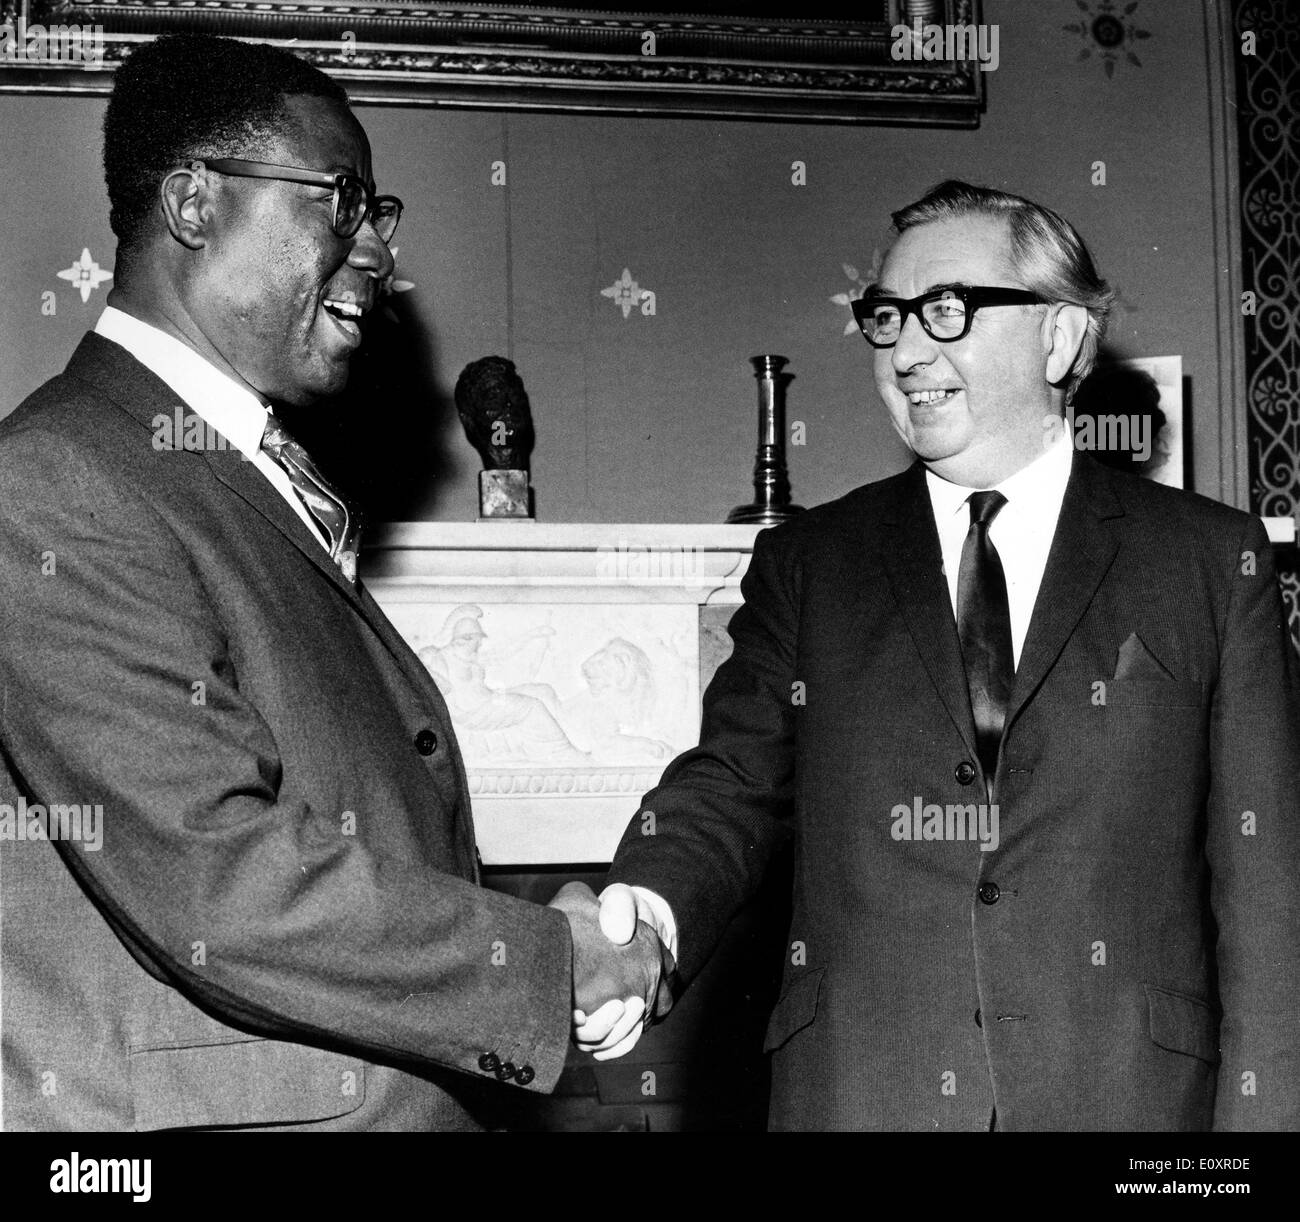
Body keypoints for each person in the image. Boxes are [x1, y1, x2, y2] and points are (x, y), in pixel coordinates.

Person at [0, 33, 667, 1132]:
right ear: (195, 203)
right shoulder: (56, 480)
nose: (376, 255)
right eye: (339, 203)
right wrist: (549, 963)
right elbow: (221, 883)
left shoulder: (216, 471)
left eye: (379, 212)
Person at [581, 181, 1300, 1130]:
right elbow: (729, 783)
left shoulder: (1211, 561)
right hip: (862, 1095)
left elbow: (1269, 897)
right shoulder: (810, 562)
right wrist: (643, 917)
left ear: (1061, 339)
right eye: (886, 318)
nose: (906, 351)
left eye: (948, 312)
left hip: (1129, 1107)